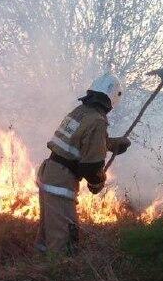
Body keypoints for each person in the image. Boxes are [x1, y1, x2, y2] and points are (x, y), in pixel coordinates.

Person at [35, 74, 132, 255]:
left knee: (49, 230)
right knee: (65, 235)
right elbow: (91, 165)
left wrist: (111, 144)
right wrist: (97, 182)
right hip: (61, 180)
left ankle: (40, 267)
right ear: (111, 100)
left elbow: (79, 140)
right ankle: (58, 274)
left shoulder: (80, 112)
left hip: (49, 172)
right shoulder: (98, 121)